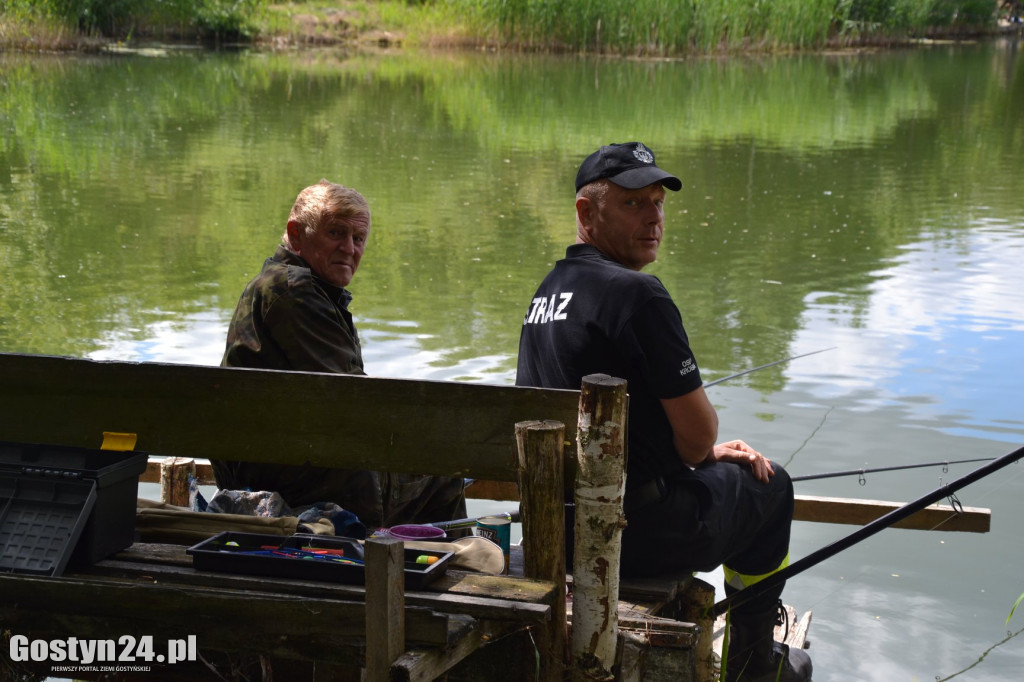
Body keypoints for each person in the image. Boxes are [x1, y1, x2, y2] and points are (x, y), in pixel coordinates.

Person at [515, 144, 812, 682]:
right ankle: (753, 664)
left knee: (723, 469)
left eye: (657, 202)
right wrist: (702, 453)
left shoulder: (547, 293)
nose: (654, 217)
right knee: (772, 490)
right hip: (634, 535)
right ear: (587, 213)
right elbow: (698, 437)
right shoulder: (637, 295)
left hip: (554, 534)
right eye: (634, 204)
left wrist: (696, 455)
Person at [211, 179, 466, 531]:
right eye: (336, 233)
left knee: (421, 458)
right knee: (443, 473)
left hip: (281, 463)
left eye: (358, 239)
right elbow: (353, 397)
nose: (349, 248)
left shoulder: (284, 284)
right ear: (296, 234)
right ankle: (449, 573)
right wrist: (411, 440)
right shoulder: (294, 291)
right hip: (298, 480)